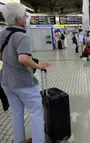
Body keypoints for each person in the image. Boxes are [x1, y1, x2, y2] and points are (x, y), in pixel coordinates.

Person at [0, 3, 52, 143]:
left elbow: (1, 56)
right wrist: (38, 65)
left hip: (6, 82)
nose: (26, 17)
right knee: (36, 114)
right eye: (24, 15)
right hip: (23, 83)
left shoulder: (2, 34)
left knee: (17, 114)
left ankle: (20, 140)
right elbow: (23, 58)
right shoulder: (23, 36)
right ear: (18, 19)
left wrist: (10, 61)